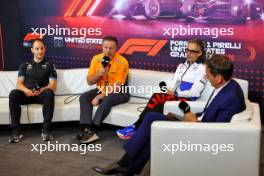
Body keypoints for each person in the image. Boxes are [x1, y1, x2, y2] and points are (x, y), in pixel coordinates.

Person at [92, 54, 246, 176]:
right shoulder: (226, 86)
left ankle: (123, 165)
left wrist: (193, 122)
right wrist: (187, 116)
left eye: (208, 75)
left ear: (218, 78)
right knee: (151, 117)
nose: (206, 77)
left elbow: (218, 132)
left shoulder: (231, 98)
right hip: (197, 122)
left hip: (199, 132)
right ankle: (127, 167)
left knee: (152, 122)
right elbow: (209, 113)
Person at [117, 39, 207, 139]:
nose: (188, 54)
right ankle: (141, 130)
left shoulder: (203, 69)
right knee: (158, 95)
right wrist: (165, 88)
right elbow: (173, 84)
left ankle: (136, 127)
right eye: (187, 50)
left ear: (200, 53)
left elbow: (195, 92)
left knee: (157, 97)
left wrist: (175, 93)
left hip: (188, 100)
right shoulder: (182, 66)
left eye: (193, 51)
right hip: (176, 96)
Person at [77, 36, 130, 143]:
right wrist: (98, 74)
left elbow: (117, 86)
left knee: (108, 98)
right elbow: (89, 81)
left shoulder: (122, 61)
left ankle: (93, 130)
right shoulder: (96, 59)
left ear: (116, 48)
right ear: (102, 47)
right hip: (101, 88)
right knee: (84, 97)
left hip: (120, 92)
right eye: (105, 47)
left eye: (111, 48)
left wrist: (99, 96)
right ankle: (86, 127)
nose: (108, 51)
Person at [9, 39, 57, 143]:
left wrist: (42, 89)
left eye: (42, 48)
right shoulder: (24, 65)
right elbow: (19, 84)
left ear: (45, 49)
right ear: (32, 50)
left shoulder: (50, 65)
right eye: (37, 49)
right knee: (13, 94)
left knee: (49, 93)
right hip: (27, 94)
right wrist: (27, 91)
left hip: (41, 95)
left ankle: (46, 131)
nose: (40, 51)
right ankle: (16, 133)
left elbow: (53, 85)